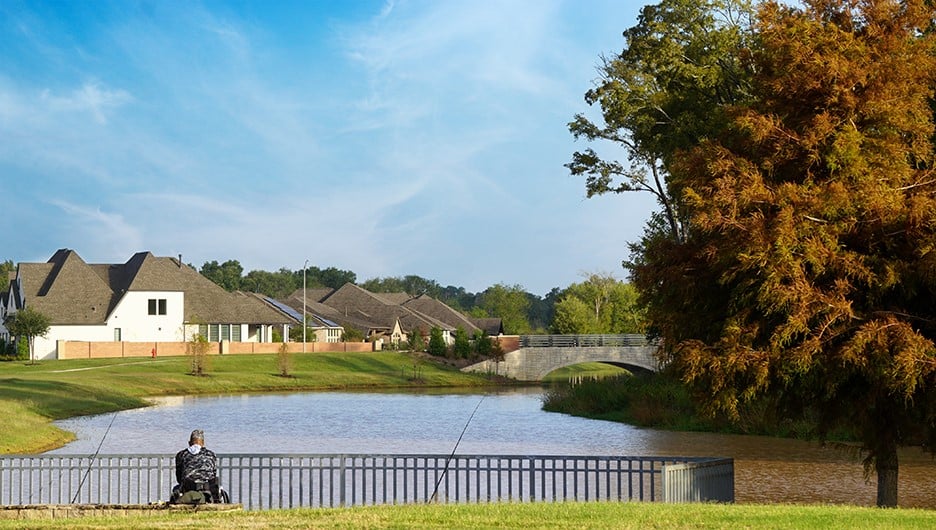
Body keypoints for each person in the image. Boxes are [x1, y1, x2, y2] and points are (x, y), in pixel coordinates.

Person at [173, 429, 221, 503]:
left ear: (189, 443)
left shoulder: (181, 455)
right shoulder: (211, 455)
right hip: (208, 489)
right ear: (203, 443)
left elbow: (179, 478)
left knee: (176, 489)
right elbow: (213, 474)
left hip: (188, 488)